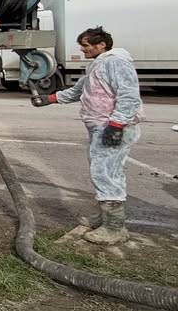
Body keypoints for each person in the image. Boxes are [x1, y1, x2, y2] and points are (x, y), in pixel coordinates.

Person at [32, 26, 144, 244]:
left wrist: (117, 124)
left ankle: (114, 228)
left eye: (86, 45)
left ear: (101, 45)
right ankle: (106, 218)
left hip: (112, 127)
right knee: (104, 170)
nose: (82, 50)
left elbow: (129, 95)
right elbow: (77, 92)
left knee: (105, 173)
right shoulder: (97, 65)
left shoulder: (116, 62)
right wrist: (49, 99)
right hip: (102, 126)